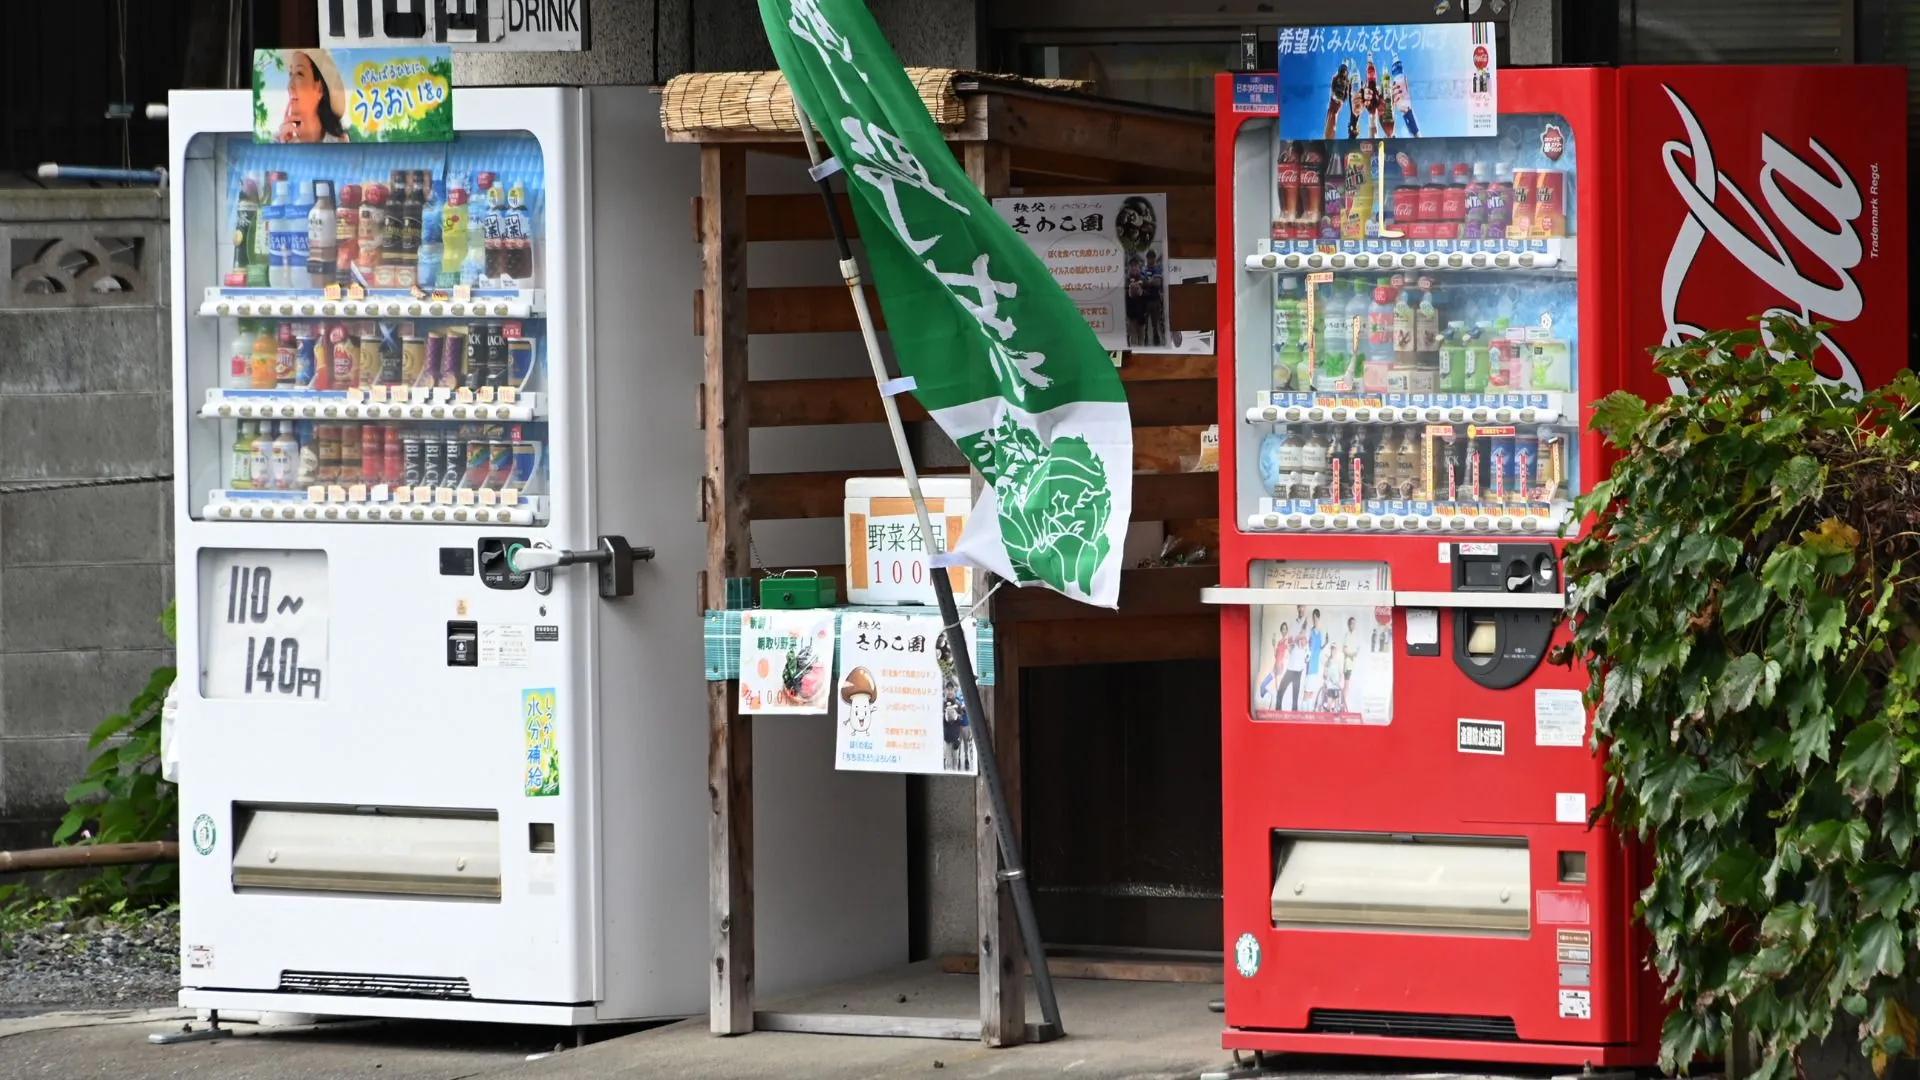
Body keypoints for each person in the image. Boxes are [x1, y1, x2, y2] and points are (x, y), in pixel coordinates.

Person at [277, 50, 348, 143]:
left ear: (320, 89)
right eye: (291, 74)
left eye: (299, 73)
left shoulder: (340, 143)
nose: (290, 85)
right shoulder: (279, 142)